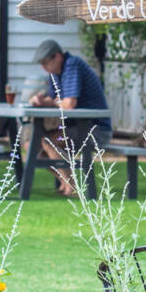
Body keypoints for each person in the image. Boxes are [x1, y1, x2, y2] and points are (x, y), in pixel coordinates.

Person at [24, 37, 111, 198]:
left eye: (45, 63)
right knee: (31, 145)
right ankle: (66, 183)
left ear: (57, 56)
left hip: (95, 129)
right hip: (74, 127)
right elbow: (56, 101)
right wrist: (41, 101)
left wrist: (55, 102)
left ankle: (72, 188)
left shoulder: (72, 65)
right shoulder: (55, 73)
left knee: (47, 143)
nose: (43, 68)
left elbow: (69, 104)